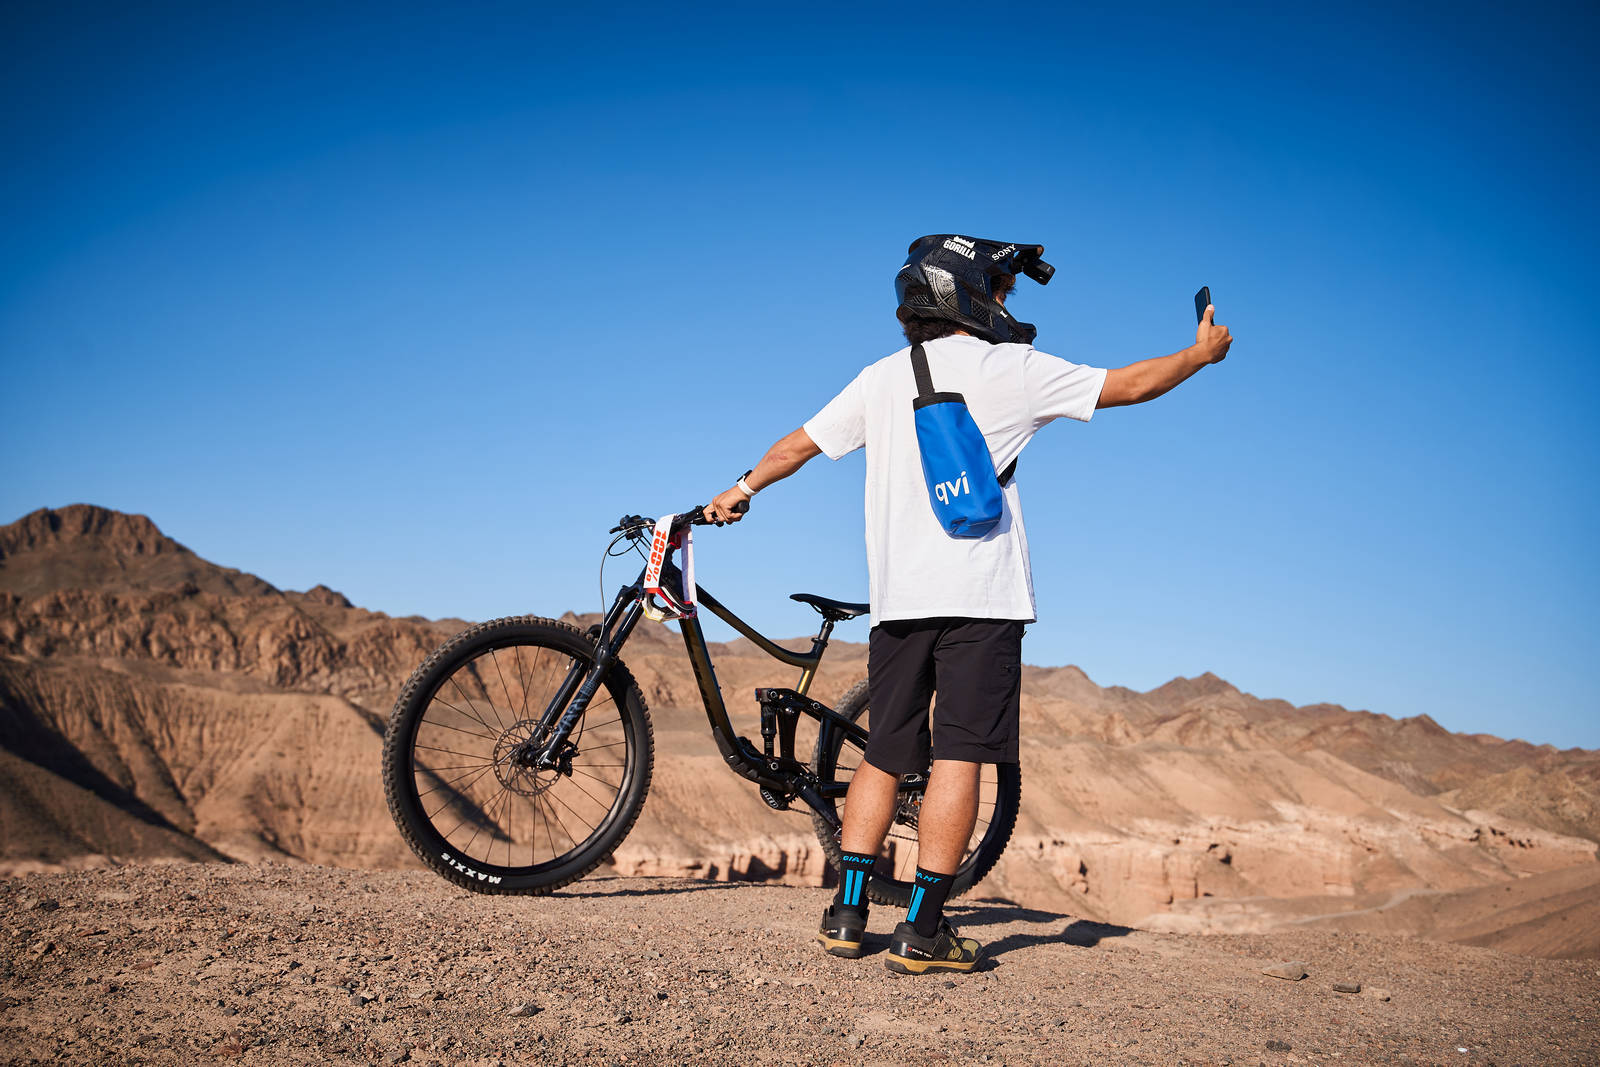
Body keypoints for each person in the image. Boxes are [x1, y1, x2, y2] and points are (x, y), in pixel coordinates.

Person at [705, 234, 1232, 974]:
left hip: (899, 600)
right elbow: (1131, 385)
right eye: (1003, 288)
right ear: (973, 295)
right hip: (981, 597)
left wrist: (741, 489)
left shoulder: (881, 378)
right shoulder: (1012, 368)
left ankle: (848, 914)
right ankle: (922, 930)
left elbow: (798, 445)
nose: (1007, 301)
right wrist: (1199, 355)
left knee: (884, 752)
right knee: (959, 754)